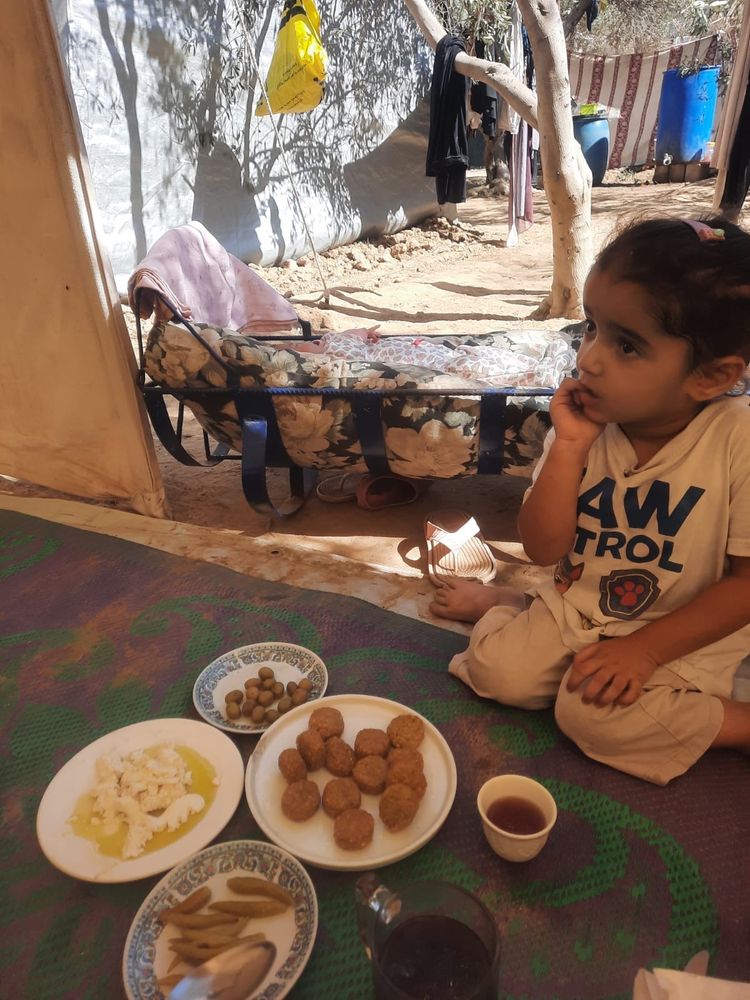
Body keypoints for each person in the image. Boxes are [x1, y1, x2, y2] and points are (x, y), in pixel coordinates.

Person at [432, 216, 750, 785]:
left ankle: (741, 724)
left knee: (591, 718)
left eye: (626, 344)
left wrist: (647, 651)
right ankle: (514, 607)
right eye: (592, 327)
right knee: (498, 673)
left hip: (677, 629)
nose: (590, 359)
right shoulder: (585, 424)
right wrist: (569, 450)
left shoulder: (737, 442)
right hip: (576, 604)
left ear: (711, 376)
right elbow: (542, 547)